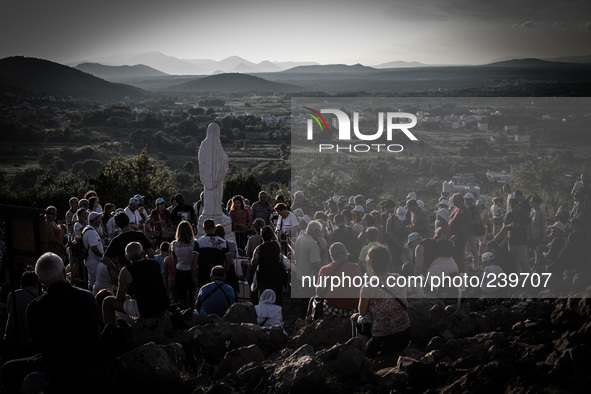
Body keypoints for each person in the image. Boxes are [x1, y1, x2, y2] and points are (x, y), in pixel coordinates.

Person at [1, 253, 100, 393]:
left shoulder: (36, 307)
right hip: (88, 362)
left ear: (40, 281)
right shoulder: (88, 297)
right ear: (63, 272)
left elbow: (36, 344)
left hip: (56, 368)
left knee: (9, 368)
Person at [350, 245, 410, 358]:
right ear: (388, 262)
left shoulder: (368, 288)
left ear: (370, 265)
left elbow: (362, 312)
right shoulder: (399, 279)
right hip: (404, 334)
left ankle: (363, 352)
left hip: (382, 340)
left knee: (359, 319)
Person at [102, 242, 169, 325]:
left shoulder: (126, 271)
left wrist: (126, 296)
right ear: (143, 253)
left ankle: (112, 332)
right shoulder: (155, 264)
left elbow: (119, 298)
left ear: (126, 257)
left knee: (107, 301)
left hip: (145, 309)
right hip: (163, 305)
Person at [314, 242, 362, 319]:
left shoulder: (324, 269)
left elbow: (319, 292)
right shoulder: (356, 267)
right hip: (354, 309)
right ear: (344, 253)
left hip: (332, 308)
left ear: (331, 255)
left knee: (314, 300)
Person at [3, 271, 39, 360]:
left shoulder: (12, 295)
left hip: (13, 340)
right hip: (31, 342)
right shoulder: (40, 295)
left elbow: (8, 313)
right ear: (36, 283)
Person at [251, 226, 288, 305]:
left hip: (264, 275)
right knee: (277, 294)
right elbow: (280, 255)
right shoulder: (277, 244)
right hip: (277, 273)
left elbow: (254, 262)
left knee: (264, 295)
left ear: (262, 236)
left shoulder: (259, 248)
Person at [192, 219, 232, 289]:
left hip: (203, 275)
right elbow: (229, 261)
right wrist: (223, 271)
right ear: (214, 227)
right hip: (218, 277)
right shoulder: (224, 243)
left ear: (204, 229)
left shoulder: (198, 242)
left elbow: (194, 261)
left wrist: (194, 276)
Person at [171, 221, 197, 307]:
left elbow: (174, 259)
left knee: (181, 297)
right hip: (192, 271)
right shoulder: (195, 243)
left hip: (180, 270)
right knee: (192, 296)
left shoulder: (174, 244)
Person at [83, 211, 104, 291]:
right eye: (99, 219)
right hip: (94, 261)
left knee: (91, 282)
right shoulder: (91, 232)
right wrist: (103, 256)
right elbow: (94, 248)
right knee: (98, 281)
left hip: (90, 260)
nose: (100, 221)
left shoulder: (87, 229)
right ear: (94, 220)